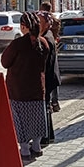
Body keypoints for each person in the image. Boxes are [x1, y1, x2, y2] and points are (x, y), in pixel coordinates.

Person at [1, 12, 50, 159]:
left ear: (23, 26)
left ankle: (24, 149)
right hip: (37, 89)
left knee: (20, 120)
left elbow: (5, 62)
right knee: (37, 119)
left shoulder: (18, 44)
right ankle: (36, 146)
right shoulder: (44, 43)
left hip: (18, 90)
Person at [38, 10, 60, 145]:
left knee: (44, 107)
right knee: (46, 107)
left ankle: (45, 137)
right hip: (50, 77)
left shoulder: (46, 38)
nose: (37, 24)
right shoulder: (48, 34)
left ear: (47, 24)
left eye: (39, 22)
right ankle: (49, 135)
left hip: (48, 78)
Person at [40, 2, 62, 112]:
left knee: (49, 74)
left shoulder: (45, 21)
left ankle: (50, 103)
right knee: (53, 73)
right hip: (54, 48)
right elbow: (58, 35)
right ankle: (55, 102)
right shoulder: (55, 20)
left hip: (49, 48)